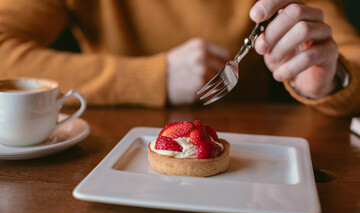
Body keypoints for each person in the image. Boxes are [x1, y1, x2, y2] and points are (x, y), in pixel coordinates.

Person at [0, 0, 359, 116]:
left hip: (252, 159)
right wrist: (156, 76)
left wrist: (330, 79)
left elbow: (350, 56)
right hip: (106, 152)